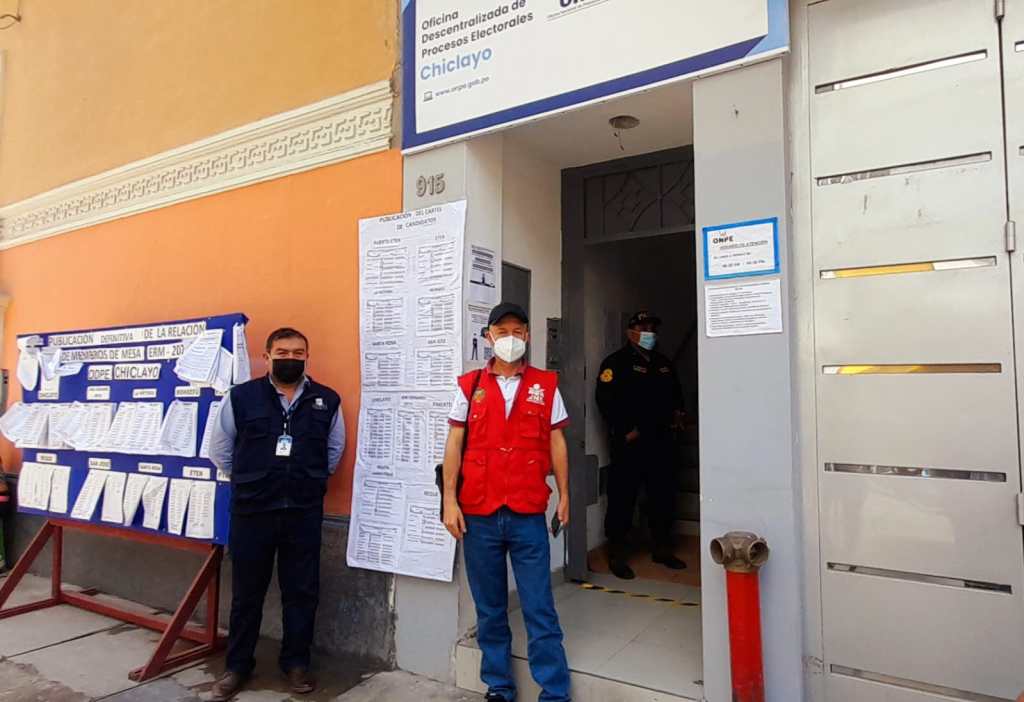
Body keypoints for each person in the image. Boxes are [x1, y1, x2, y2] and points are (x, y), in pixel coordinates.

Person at [442, 302, 572, 702]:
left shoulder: (545, 384)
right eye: (502, 332)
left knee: (539, 606)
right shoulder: (469, 386)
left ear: (527, 336)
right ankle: (499, 685)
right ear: (489, 337)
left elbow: (557, 442)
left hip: (526, 512)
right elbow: (454, 442)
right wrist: (449, 500)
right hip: (478, 513)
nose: (510, 338)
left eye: (517, 331)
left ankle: (554, 691)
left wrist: (565, 494)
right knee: (490, 608)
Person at [208, 327, 345, 700]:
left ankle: (296, 663)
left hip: (302, 512)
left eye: (298, 353)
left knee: (302, 591)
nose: (290, 359)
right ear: (267, 357)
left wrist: (305, 480)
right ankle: (237, 667)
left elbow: (334, 451)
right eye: (282, 352)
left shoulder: (327, 400)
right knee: (246, 593)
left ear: (307, 357)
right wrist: (252, 480)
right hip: (253, 511)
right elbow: (220, 450)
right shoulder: (241, 397)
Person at [596, 310, 686, 580]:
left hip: (661, 442)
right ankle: (617, 553)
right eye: (643, 327)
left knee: (662, 497)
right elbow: (606, 400)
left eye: (652, 328)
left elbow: (676, 396)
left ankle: (662, 548)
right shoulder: (616, 363)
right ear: (630, 332)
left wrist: (678, 417)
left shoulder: (663, 363)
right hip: (630, 444)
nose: (649, 332)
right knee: (623, 499)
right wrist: (626, 431)